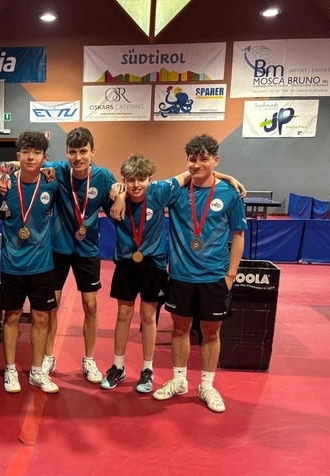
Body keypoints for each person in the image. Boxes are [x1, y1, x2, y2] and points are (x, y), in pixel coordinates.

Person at [103, 155, 245, 394]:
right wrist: (118, 195)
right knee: (123, 314)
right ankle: (118, 366)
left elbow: (192, 172)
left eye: (141, 179)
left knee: (149, 316)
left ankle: (147, 370)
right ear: (123, 180)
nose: (136, 184)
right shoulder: (114, 196)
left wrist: (226, 176)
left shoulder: (159, 191)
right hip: (126, 263)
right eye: (130, 180)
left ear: (150, 179)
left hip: (154, 264)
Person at [152, 134, 247, 413]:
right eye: (192, 159)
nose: (197, 164)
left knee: (211, 333)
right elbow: (152, 190)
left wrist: (230, 276)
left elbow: (238, 235)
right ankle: (179, 380)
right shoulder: (177, 192)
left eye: (204, 159)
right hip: (181, 275)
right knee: (180, 329)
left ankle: (206, 386)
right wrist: (197, 173)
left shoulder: (229, 194)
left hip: (214, 277)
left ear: (216, 159)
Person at [40, 127, 120, 384]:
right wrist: (35, 168)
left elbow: (118, 197)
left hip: (87, 250)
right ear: (66, 153)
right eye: (73, 152)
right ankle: (48, 355)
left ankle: (89, 358)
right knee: (51, 305)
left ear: (92, 151)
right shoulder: (57, 170)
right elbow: (28, 163)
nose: (78, 157)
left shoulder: (103, 176)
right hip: (58, 248)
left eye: (83, 151)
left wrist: (121, 196)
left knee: (90, 305)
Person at [0, 131, 61, 394]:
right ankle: (10, 369)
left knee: (41, 317)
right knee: (12, 316)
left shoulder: (51, 184)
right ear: (18, 155)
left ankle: (37, 371)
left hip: (42, 264)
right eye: (26, 152)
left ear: (44, 157)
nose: (31, 157)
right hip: (12, 264)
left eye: (37, 152)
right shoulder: (4, 184)